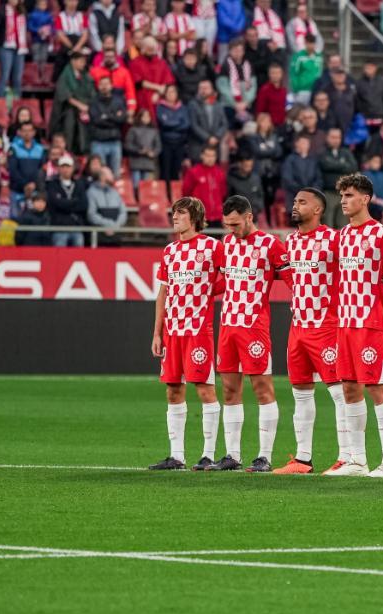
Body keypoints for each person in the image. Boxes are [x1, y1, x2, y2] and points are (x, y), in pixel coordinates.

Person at [324, 174, 383, 477]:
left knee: (376, 386)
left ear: (365, 199)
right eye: (342, 196)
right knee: (349, 387)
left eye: (349, 195)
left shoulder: (382, 234)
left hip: (370, 323)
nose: (343, 201)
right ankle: (357, 461)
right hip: (345, 322)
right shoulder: (342, 236)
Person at [202, 194, 294, 471]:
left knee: (262, 388)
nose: (231, 229)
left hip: (254, 327)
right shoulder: (226, 244)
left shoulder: (270, 245)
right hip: (228, 326)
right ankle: (233, 455)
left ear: (249, 217)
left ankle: (264, 456)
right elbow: (225, 282)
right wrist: (201, 289)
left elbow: (293, 280)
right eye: (227, 225)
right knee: (230, 390)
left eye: (235, 224)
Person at [273, 188, 351, 474]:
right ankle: (303, 459)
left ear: (318, 209)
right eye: (294, 201)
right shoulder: (290, 241)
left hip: (326, 326)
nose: (295, 206)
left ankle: (348, 456)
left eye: (302, 202)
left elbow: (356, 270)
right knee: (301, 393)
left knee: (339, 393)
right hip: (298, 327)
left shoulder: (334, 239)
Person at [148, 197, 223, 470]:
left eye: (180, 213)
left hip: (198, 330)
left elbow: (230, 279)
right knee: (173, 391)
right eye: (174, 213)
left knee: (204, 390)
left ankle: (208, 455)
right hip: (172, 331)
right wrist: (157, 333)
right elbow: (163, 293)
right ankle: (177, 456)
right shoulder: (169, 251)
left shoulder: (212, 247)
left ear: (195, 218)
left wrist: (206, 292)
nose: (175, 217)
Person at [50, 51, 94, 155]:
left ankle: (83, 152)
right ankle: (68, 151)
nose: (83, 64)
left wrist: (86, 106)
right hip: (67, 110)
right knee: (69, 126)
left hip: (84, 109)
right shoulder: (65, 75)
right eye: (81, 61)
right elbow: (65, 95)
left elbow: (91, 92)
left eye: (84, 61)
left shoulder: (85, 75)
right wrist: (79, 105)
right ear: (73, 61)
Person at [88, 76, 128, 177]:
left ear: (111, 86)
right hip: (98, 141)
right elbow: (96, 120)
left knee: (115, 175)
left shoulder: (119, 101)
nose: (104, 86)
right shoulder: (93, 102)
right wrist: (114, 117)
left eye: (106, 84)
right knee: (99, 174)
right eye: (102, 84)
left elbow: (122, 119)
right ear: (98, 86)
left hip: (115, 142)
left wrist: (106, 117)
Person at [44, 155, 87, 246]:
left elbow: (84, 204)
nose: (65, 169)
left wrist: (65, 203)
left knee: (79, 251)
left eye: (68, 167)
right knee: (60, 252)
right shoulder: (52, 185)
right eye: (63, 167)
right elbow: (55, 203)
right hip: (59, 228)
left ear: (72, 168)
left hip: (76, 226)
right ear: (58, 169)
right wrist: (74, 202)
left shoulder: (79, 184)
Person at [182, 145, 227, 228]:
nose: (210, 158)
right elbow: (186, 192)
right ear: (202, 156)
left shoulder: (220, 173)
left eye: (213, 156)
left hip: (217, 217)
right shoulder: (193, 172)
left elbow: (223, 193)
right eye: (208, 155)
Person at [7, 121, 46, 214]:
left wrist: (34, 184)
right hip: (17, 190)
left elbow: (42, 169)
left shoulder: (40, 149)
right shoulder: (13, 148)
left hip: (35, 191)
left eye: (29, 130)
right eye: (24, 131)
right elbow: (12, 170)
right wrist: (25, 185)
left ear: (34, 132)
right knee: (15, 219)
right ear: (19, 132)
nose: (27, 133)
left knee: (35, 218)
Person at [187, 80, 229, 161]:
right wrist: (208, 138)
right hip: (198, 145)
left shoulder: (218, 105)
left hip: (215, 145)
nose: (203, 90)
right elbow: (194, 125)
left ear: (212, 89)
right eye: (201, 88)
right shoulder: (193, 104)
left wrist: (217, 136)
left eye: (206, 88)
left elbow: (224, 123)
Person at [155, 85, 190, 181]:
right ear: (165, 94)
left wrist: (171, 124)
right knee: (165, 171)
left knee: (176, 171)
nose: (171, 94)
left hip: (179, 143)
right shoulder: (160, 107)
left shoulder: (183, 108)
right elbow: (164, 123)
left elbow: (186, 124)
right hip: (165, 143)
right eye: (169, 92)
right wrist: (178, 123)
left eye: (173, 91)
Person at [124, 109, 160, 189]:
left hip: (148, 162)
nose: (146, 118)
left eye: (148, 116)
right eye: (144, 116)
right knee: (136, 186)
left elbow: (158, 146)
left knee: (145, 187)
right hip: (136, 161)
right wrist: (139, 151)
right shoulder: (133, 130)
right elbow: (128, 145)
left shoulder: (154, 131)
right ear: (139, 117)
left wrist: (153, 153)